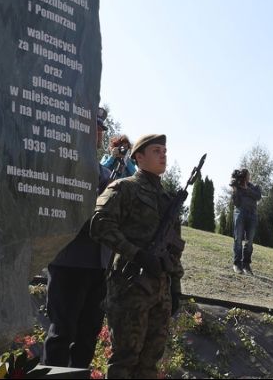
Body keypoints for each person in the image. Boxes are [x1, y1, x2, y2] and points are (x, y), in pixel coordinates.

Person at [90, 134, 184, 378]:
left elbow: (175, 249)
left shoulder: (167, 199)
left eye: (165, 150)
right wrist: (138, 255)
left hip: (160, 290)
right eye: (156, 150)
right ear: (138, 157)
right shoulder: (124, 188)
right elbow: (100, 224)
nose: (163, 154)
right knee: (125, 359)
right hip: (130, 286)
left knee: (149, 364)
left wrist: (175, 285)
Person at [42, 108, 113, 369]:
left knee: (87, 336)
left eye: (100, 129)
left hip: (99, 264)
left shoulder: (107, 176)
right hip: (68, 261)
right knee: (62, 334)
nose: (97, 133)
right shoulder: (61, 165)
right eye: (91, 127)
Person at [230, 168, 261, 275]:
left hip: (252, 214)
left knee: (249, 241)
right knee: (238, 239)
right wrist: (235, 190)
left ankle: (246, 265)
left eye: (247, 175)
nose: (246, 177)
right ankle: (237, 264)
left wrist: (246, 189)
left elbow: (258, 196)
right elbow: (236, 203)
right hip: (240, 213)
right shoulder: (237, 187)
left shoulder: (255, 187)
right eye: (244, 175)